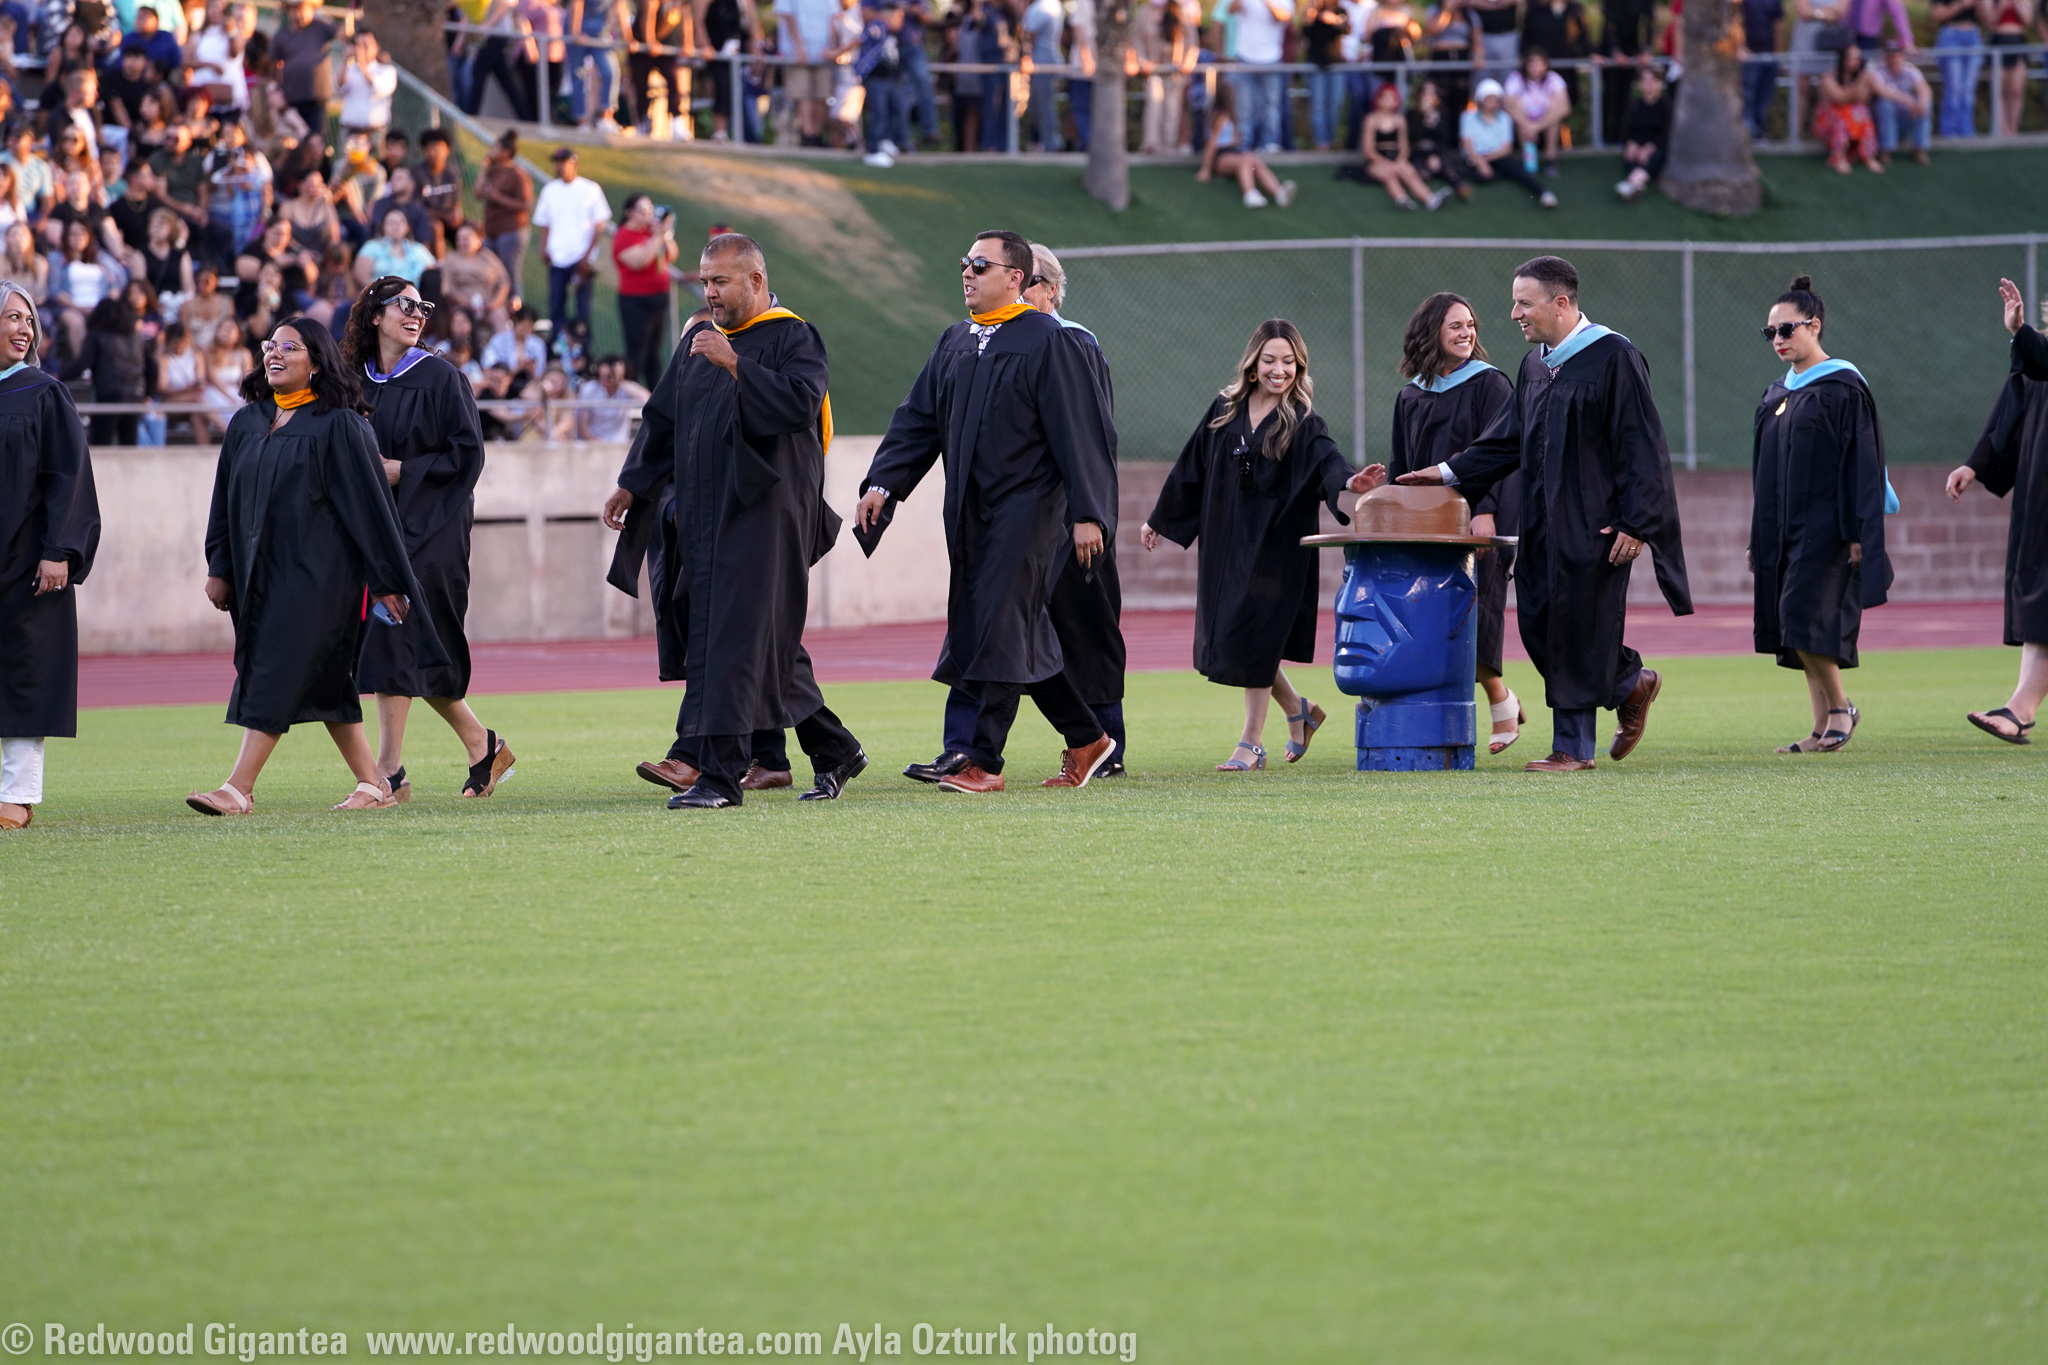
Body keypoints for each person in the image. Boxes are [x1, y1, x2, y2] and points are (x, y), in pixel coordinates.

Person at [1394, 255, 1691, 772]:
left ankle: (1573, 749)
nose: (1513, 314)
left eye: (1523, 303)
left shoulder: (1613, 357)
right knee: (1539, 625)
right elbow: (1505, 440)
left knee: (1577, 626)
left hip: (1594, 521)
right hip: (1538, 521)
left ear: (1561, 302)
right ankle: (1630, 681)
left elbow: (1643, 444)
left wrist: (1636, 521)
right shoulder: (1535, 366)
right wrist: (1443, 473)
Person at [601, 233, 867, 807]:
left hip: (766, 514)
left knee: (733, 641)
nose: (710, 292)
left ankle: (718, 777)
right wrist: (633, 483)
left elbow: (799, 403)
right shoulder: (699, 340)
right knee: (756, 643)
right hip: (704, 514)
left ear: (755, 280)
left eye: (720, 281)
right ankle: (835, 749)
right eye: (703, 282)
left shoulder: (793, 336)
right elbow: (662, 421)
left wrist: (737, 365)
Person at [855, 230, 1118, 794]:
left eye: (980, 264)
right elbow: (918, 420)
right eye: (964, 264)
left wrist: (1088, 512)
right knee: (1005, 628)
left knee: (1000, 621)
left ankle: (984, 761)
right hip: (971, 509)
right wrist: (884, 482)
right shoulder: (956, 341)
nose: (967, 273)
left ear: (1016, 278)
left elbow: (1081, 432)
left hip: (1031, 507)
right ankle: (1086, 737)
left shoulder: (1050, 340)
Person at [187, 317, 439, 816]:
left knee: (275, 669)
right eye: (270, 346)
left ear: (317, 363)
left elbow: (371, 509)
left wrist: (387, 579)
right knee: (326, 684)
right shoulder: (248, 423)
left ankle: (239, 788)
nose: (275, 354)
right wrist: (221, 566)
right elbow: (223, 502)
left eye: (290, 347)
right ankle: (373, 784)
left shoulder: (341, 425)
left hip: (320, 577)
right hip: (260, 575)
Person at [1141, 319, 1374, 770]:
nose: (1279, 370)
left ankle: (1251, 744)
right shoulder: (1225, 411)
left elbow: (1328, 459)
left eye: (1289, 362)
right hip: (1227, 543)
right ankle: (1299, 711)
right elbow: (1192, 466)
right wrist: (1159, 518)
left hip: (1276, 546)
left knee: (1255, 634)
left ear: (1298, 367)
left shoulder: (1303, 422)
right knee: (1238, 638)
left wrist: (1349, 480)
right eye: (1270, 360)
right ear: (1253, 365)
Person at [344, 276, 515, 802]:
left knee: (401, 636)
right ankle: (481, 745)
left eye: (423, 307)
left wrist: (402, 471)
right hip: (377, 529)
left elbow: (467, 458)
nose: (417, 314)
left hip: (433, 529)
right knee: (411, 644)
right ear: (375, 315)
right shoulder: (354, 382)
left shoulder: (443, 379)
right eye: (404, 305)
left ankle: (387, 773)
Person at [1749, 274, 1890, 753]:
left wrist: (1858, 532)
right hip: (1784, 529)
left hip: (1828, 528)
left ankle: (1841, 709)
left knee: (1805, 616)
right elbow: (1762, 474)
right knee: (1792, 624)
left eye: (1787, 330)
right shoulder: (1777, 394)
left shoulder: (1843, 387)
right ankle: (1818, 726)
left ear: (1815, 326)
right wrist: (1759, 536)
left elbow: (1863, 464)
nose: (1779, 340)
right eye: (1771, 333)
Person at [1384, 292, 1523, 753]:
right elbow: (1401, 466)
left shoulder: (1491, 385)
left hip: (1479, 521)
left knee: (1477, 618)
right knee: (1435, 622)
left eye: (1471, 325)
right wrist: (1390, 511)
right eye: (1455, 326)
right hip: (1427, 528)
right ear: (1432, 335)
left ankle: (1500, 703)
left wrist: (1485, 511)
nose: (1467, 334)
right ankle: (1499, 700)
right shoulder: (1411, 395)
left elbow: (1504, 455)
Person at [0, 285, 98, 832]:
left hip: (26, 560)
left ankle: (16, 795)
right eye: (12, 317)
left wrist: (60, 550)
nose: (25, 329)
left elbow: (71, 476)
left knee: (25, 673)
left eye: (30, 320)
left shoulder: (43, 392)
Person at [1948, 277, 2048, 745]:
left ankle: (2020, 709)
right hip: (2038, 494)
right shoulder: (2037, 356)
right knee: (2036, 596)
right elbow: (2011, 408)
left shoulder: (2040, 354)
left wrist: (2020, 334)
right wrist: (1975, 464)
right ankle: (2019, 708)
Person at [532, 146, 611, 348]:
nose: (559, 166)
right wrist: (543, 248)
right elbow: (545, 223)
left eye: (563, 162)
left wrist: (587, 257)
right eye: (557, 162)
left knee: (582, 310)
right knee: (556, 305)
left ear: (573, 163)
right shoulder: (550, 190)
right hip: (557, 257)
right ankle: (558, 348)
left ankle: (582, 349)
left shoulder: (590, 189)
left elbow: (599, 225)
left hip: (580, 259)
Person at [66, 293, 156, 445]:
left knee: (101, 443)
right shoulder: (136, 337)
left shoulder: (97, 336)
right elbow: (152, 367)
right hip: (136, 394)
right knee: (129, 443)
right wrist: (148, 393)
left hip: (109, 394)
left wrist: (61, 376)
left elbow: (83, 363)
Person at [1197, 77, 1296, 208]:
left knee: (1254, 162)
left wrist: (1235, 139)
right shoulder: (1220, 118)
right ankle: (1250, 193)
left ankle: (1278, 192)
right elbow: (1212, 143)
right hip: (1220, 158)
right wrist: (1206, 169)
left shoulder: (1228, 116)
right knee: (1247, 160)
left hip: (1231, 153)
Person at [612, 193, 677, 386]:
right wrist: (657, 236)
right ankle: (631, 394)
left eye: (650, 210)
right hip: (636, 301)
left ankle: (654, 395)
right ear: (629, 212)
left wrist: (665, 233)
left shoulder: (651, 232)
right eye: (643, 210)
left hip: (659, 298)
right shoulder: (624, 236)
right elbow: (640, 261)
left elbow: (672, 255)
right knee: (637, 351)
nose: (648, 215)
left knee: (654, 352)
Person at [1462, 78, 1558, 206]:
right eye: (1488, 99)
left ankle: (1544, 193)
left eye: (1495, 100)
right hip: (1475, 158)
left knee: (1517, 170)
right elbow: (1467, 144)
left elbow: (1507, 148)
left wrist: (1486, 160)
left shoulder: (1505, 118)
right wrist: (1480, 162)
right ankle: (1503, 173)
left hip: (1498, 156)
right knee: (1480, 176)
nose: (1492, 103)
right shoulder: (1468, 117)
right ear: (1481, 100)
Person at [1361, 82, 1447, 210]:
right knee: (1388, 175)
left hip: (1396, 158)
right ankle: (1402, 200)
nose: (1387, 101)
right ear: (1377, 99)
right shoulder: (1371, 119)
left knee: (1410, 172)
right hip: (1377, 160)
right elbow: (1368, 150)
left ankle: (1430, 199)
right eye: (1384, 97)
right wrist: (1386, 163)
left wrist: (1400, 160)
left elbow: (1404, 146)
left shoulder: (1400, 120)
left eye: (1391, 98)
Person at [1228, 0, 1293, 153]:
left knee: (1271, 105)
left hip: (1272, 58)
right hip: (1245, 57)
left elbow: (1283, 17)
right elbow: (1230, 10)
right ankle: (1244, 144)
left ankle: (1269, 143)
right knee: (1244, 105)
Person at [270, 0, 339, 139]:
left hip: (317, 99)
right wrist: (277, 91)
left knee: (316, 140)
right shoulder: (282, 36)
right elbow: (273, 66)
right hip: (291, 100)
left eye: (303, 9)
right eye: (295, 9)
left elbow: (343, 34)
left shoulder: (321, 28)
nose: (299, 14)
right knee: (295, 141)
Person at [775, 0, 841, 143]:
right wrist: (798, 46)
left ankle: (816, 134)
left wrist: (832, 46)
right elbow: (787, 16)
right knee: (802, 94)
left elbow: (833, 18)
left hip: (823, 53)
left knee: (822, 95)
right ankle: (807, 133)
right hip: (797, 52)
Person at [477, 130, 533, 292]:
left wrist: (498, 197)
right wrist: (484, 169)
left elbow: (526, 204)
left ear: (506, 152)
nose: (491, 151)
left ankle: (515, 309)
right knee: (490, 272)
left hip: (511, 231)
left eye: (495, 148)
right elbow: (478, 193)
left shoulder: (518, 174)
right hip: (492, 231)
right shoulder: (493, 171)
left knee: (509, 272)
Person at [1815, 43, 1883, 174]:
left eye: (1858, 58)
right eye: (1853, 58)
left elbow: (1864, 100)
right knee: (1843, 113)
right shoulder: (1828, 77)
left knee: (1861, 111)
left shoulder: (1862, 76)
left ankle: (1868, 156)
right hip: (1828, 123)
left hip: (1851, 121)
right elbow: (1840, 98)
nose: (1857, 62)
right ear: (1843, 59)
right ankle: (1838, 157)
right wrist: (1860, 82)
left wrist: (1908, 100)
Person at [1504, 46, 1569, 172]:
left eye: (1539, 64)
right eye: (1532, 64)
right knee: (1516, 105)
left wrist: (1536, 127)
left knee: (1555, 109)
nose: (1535, 68)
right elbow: (1507, 106)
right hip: (1524, 120)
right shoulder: (1515, 78)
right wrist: (1527, 125)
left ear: (1545, 65)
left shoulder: (1554, 78)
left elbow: (1565, 107)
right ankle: (1529, 159)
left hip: (1545, 119)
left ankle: (1550, 159)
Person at [441, 222, 513, 334]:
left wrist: (495, 303)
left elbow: (504, 282)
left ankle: (501, 349)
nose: (461, 242)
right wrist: (464, 302)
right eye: (459, 239)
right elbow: (446, 288)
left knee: (499, 315)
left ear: (478, 239)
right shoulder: (452, 260)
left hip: (489, 306)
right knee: (460, 319)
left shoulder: (488, 257)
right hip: (463, 307)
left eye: (466, 239)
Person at [567, 0, 630, 128]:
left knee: (610, 71)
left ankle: (606, 117)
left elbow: (621, 7)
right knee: (578, 74)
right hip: (579, 29)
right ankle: (582, 119)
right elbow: (577, 4)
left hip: (600, 33)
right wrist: (575, 32)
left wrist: (629, 37)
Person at [1613, 62, 1671, 200]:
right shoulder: (1634, 104)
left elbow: (1666, 132)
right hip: (1637, 144)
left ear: (1659, 83)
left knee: (1656, 157)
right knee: (1631, 156)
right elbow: (1624, 129)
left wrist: (1650, 148)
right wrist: (1631, 143)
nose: (1648, 85)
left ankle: (1631, 184)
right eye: (1644, 81)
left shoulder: (1666, 106)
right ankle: (1637, 184)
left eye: (1652, 81)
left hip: (1657, 145)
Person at [1405, 80, 1470, 200]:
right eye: (1426, 93)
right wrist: (1424, 119)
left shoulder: (1443, 114)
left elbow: (1444, 139)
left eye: (1432, 93)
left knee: (1448, 169)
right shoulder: (1411, 114)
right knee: (1422, 173)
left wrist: (1435, 155)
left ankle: (1461, 188)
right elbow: (1412, 138)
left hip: (1437, 151)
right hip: (1418, 152)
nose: (1429, 97)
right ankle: (1430, 196)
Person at [1871, 39, 1931, 166]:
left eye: (1896, 54)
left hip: (1906, 117)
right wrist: (1907, 99)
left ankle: (1919, 148)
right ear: (1884, 56)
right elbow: (1881, 91)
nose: (1893, 58)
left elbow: (1924, 88)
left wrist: (1922, 102)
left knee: (1926, 104)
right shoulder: (1877, 70)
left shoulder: (1910, 70)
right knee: (1884, 104)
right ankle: (1885, 150)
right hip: (1883, 121)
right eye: (1889, 55)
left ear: (1902, 56)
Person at [1930, 0, 1981, 139]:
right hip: (1951, 36)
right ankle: (1949, 132)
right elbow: (1937, 15)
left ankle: (1967, 131)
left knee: (1968, 89)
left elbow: (1986, 17)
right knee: (1954, 88)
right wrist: (1961, 4)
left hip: (1973, 36)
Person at [338, 27, 397, 139]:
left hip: (375, 133)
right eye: (359, 45)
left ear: (377, 47)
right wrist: (345, 61)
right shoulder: (349, 70)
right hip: (350, 131)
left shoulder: (386, 70)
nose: (362, 49)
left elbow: (379, 88)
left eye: (366, 45)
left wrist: (362, 65)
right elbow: (338, 88)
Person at [354, 207, 436, 286]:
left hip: (415, 296)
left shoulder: (418, 249)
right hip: (381, 297)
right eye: (391, 222)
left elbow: (433, 271)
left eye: (401, 222)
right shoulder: (372, 247)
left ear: (407, 227)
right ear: (383, 226)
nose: (396, 226)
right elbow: (361, 277)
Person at [1737, 0, 1782, 139]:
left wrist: (1777, 54)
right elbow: (1734, 20)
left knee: (1764, 99)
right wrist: (1740, 47)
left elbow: (1778, 24)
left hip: (1769, 55)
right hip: (1748, 56)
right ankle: (1747, 135)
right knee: (1748, 97)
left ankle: (1759, 134)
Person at [577, 352, 646, 440]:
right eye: (601, 376)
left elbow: (647, 399)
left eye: (609, 377)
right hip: (593, 444)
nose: (604, 381)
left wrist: (620, 381)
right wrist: (596, 442)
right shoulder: (589, 389)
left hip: (619, 443)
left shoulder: (626, 389)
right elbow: (583, 424)